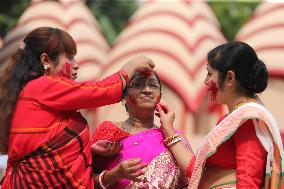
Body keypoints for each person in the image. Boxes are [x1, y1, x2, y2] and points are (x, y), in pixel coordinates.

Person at [0, 26, 155, 188]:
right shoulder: (42, 86)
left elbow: (46, 142)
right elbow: (98, 91)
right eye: (69, 57)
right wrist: (129, 68)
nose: (76, 65)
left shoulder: (38, 91)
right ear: (46, 60)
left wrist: (87, 151)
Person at [156, 41, 284, 189]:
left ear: (230, 78)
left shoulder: (248, 120)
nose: (205, 81)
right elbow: (195, 170)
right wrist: (168, 130)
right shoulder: (231, 120)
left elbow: (248, 183)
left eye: (210, 74)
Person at [90, 71, 190, 188]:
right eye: (138, 85)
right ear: (124, 96)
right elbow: (83, 180)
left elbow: (193, 179)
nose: (147, 90)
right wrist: (114, 175)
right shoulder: (109, 131)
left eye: (153, 85)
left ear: (160, 96)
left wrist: (168, 129)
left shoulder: (173, 136)